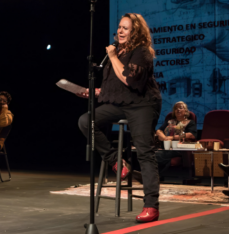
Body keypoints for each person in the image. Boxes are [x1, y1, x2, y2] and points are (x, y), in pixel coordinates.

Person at [77, 13, 162, 223]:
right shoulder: (118, 52)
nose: (120, 31)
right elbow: (116, 85)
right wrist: (96, 92)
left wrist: (113, 57)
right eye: (119, 27)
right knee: (86, 121)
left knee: (144, 153)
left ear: (136, 31)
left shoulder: (141, 51)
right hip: (121, 104)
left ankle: (151, 205)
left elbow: (130, 81)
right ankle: (116, 161)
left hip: (142, 104)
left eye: (126, 28)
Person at [155, 101, 197, 174]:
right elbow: (159, 131)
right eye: (176, 108)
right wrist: (165, 138)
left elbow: (191, 135)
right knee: (153, 154)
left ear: (186, 111)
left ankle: (153, 175)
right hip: (166, 148)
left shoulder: (190, 122)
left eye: (181, 108)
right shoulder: (169, 121)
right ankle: (156, 175)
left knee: (154, 155)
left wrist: (172, 138)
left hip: (179, 149)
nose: (178, 110)